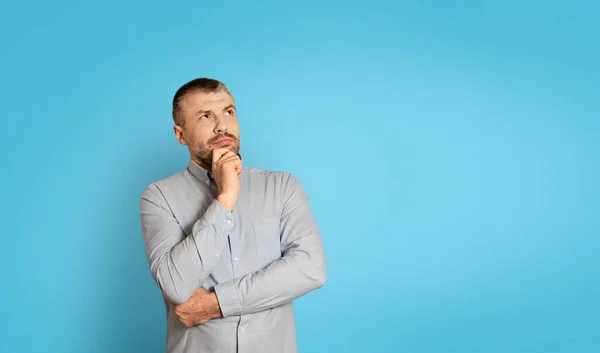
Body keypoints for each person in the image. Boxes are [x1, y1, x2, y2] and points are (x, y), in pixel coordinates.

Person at [139, 77, 327, 353]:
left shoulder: (282, 186)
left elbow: (310, 268)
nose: (222, 126)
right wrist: (225, 198)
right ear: (181, 135)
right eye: (206, 116)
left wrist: (215, 304)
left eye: (229, 112)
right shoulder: (158, 197)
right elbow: (176, 287)